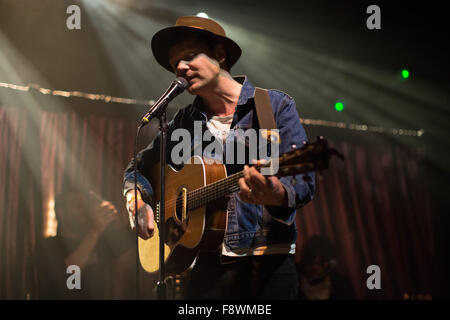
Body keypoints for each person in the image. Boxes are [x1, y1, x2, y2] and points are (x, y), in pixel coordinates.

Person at [123, 16, 315, 299]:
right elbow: (136, 169)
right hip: (206, 268)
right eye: (175, 63)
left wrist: (275, 193)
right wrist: (137, 201)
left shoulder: (273, 107)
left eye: (189, 56)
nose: (179, 67)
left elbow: (303, 183)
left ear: (220, 54)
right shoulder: (182, 122)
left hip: (266, 265)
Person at [36, 188, 135, 299]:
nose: (83, 211)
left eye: (84, 206)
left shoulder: (96, 242)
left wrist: (121, 217)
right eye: (78, 206)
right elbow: (70, 271)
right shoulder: (48, 246)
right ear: (61, 212)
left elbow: (128, 240)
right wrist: (95, 230)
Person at [297, 235, 355, 300]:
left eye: (326, 260)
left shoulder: (341, 283)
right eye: (317, 262)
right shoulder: (294, 284)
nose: (325, 265)